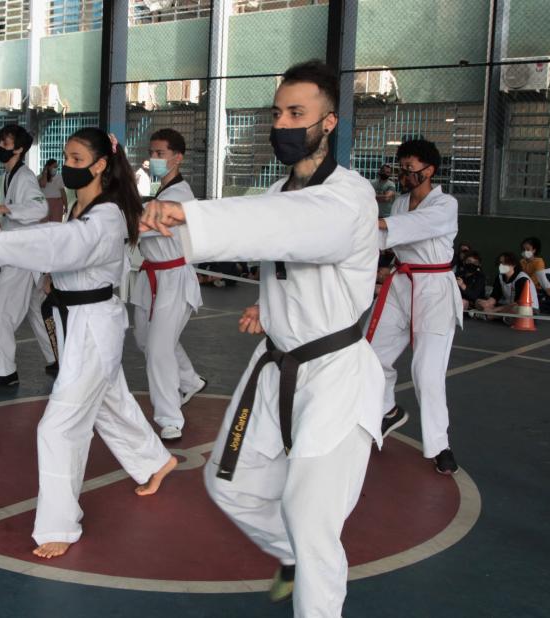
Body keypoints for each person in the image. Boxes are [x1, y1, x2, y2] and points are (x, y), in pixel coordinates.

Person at [140, 60, 384, 617]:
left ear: (329, 122)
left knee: (311, 518)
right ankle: (290, 555)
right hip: (274, 364)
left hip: (333, 376)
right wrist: (267, 306)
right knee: (230, 486)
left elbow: (299, 228)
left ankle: (311, 577)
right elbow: (287, 244)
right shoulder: (278, 189)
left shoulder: (350, 196)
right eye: (278, 113)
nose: (284, 123)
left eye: (298, 113)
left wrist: (190, 216)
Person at [0, 127, 177, 560]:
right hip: (78, 319)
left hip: (94, 325)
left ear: (99, 165)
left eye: (76, 160)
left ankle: (59, 525)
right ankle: (154, 461)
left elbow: (61, 244)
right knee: (109, 402)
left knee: (58, 427)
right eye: (67, 159)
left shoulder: (106, 215)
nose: (68, 167)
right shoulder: (81, 206)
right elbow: (59, 246)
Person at [367, 139, 462, 476]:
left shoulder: (445, 204)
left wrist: (366, 223)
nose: (404, 174)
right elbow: (391, 240)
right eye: (402, 167)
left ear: (429, 170)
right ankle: (387, 410)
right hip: (400, 285)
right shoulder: (401, 203)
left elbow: (409, 230)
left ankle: (440, 444)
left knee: (426, 372)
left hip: (434, 291)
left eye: (410, 169)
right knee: (371, 356)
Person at [131, 128, 205, 441]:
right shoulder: (161, 193)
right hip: (151, 276)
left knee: (159, 348)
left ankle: (169, 418)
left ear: (178, 157)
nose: (154, 158)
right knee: (146, 340)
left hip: (174, 278)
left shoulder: (179, 195)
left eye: (160, 153)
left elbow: (141, 225)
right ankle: (189, 381)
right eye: (152, 152)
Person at [0, 124, 57, 388]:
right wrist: (0, 223)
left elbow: (39, 208)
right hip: (24, 251)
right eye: (0, 142)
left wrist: (4, 208)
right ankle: (56, 358)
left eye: (6, 144)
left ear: (20, 149)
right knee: (36, 307)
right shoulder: (10, 175)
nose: (1, 148)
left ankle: (6, 372)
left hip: (24, 255)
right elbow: (17, 216)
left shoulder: (23, 176)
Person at [476, 252, 539, 320]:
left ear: (514, 264)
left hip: (528, 308)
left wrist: (495, 310)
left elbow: (518, 303)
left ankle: (492, 315)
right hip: (508, 305)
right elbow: (495, 296)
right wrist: (487, 303)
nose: (501, 265)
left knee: (516, 309)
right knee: (478, 302)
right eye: (500, 263)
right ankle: (498, 316)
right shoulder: (500, 277)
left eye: (505, 263)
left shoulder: (522, 278)